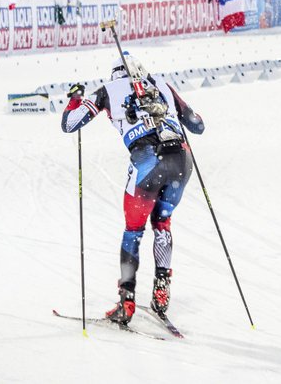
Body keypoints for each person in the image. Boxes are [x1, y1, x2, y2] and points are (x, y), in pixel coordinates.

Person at [60, 54, 204, 325]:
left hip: (148, 163)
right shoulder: (161, 84)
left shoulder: (107, 91)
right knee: (162, 222)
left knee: (133, 231)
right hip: (181, 160)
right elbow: (197, 125)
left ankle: (126, 300)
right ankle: (161, 290)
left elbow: (70, 124)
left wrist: (75, 99)